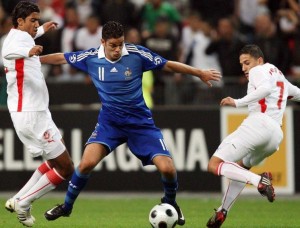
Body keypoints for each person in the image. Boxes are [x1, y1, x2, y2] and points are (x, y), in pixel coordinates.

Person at [39, 21, 221, 226]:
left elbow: (168, 64)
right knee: (86, 163)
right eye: (113, 45)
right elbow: (61, 58)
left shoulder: (137, 54)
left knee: (168, 168)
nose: (118, 49)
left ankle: (170, 204)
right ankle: (67, 206)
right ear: (103, 42)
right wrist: (35, 60)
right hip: (110, 124)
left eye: (121, 44)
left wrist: (200, 73)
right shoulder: (90, 57)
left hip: (140, 124)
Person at [206, 44, 300, 228]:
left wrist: (237, 102)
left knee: (214, 165)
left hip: (259, 123)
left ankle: (259, 180)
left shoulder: (259, 70)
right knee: (242, 167)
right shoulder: (280, 77)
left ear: (259, 60)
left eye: (247, 62)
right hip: (275, 136)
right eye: (241, 64)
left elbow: (264, 90)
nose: (244, 68)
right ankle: (222, 211)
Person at [1, 1, 74, 227]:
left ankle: (17, 199)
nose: (36, 24)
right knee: (66, 168)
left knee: (55, 163)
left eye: (37, 20)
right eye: (32, 20)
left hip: (38, 111)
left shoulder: (23, 35)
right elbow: (8, 52)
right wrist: (28, 51)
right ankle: (24, 201)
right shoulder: (12, 41)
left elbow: (26, 39)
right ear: (19, 21)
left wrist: (43, 30)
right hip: (30, 114)